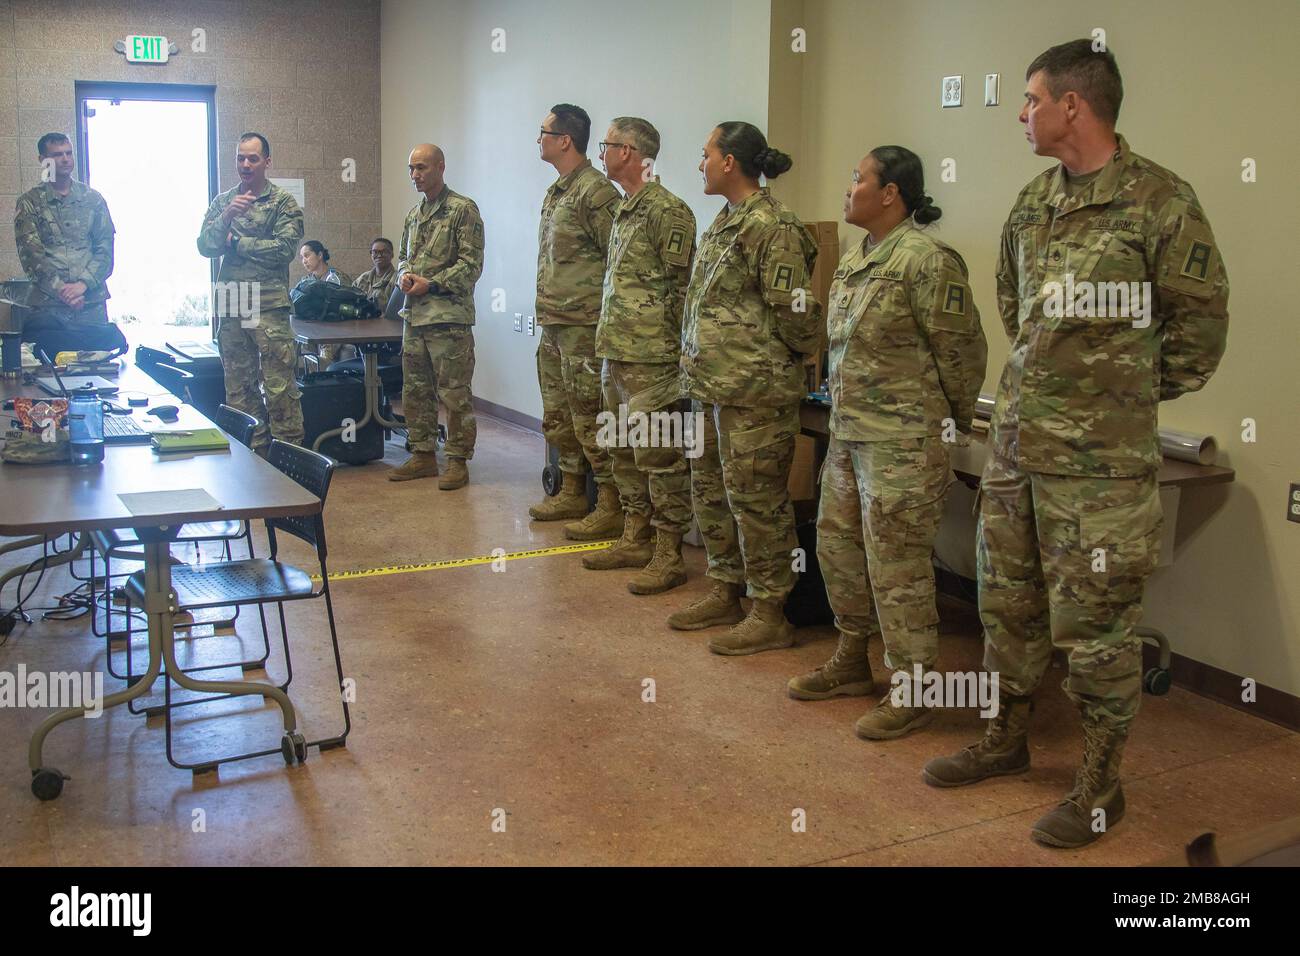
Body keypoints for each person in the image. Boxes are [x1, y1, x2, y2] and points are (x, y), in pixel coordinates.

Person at [923, 40, 1229, 849]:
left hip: (1100, 469)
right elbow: (1015, 307)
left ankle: (1100, 784)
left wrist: (1118, 394)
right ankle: (1004, 738)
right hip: (1018, 451)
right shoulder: (1033, 202)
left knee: (1095, 629)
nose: (1020, 114)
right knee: (1006, 606)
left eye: (1029, 99)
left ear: (1072, 105)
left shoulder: (1161, 202)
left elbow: (1200, 332)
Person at [786, 147, 987, 740]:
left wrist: (947, 422)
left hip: (904, 442)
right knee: (839, 550)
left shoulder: (927, 261)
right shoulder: (857, 260)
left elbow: (962, 352)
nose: (849, 188)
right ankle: (852, 658)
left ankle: (914, 687)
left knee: (897, 567)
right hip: (850, 435)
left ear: (891, 193)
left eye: (858, 179)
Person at [668, 122, 821, 655]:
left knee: (757, 502)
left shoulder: (772, 226)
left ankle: (770, 610)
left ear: (729, 161)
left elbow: (796, 311)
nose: (700, 164)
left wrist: (793, 360)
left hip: (754, 392)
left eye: (705, 154)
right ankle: (725, 588)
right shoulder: (725, 221)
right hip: (712, 385)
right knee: (711, 493)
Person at [582, 117, 696, 595]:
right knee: (620, 449)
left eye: (606, 145)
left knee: (660, 456)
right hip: (617, 352)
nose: (600, 152)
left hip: (653, 360)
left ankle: (669, 553)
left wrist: (674, 356)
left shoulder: (667, 211)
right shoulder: (626, 209)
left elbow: (682, 288)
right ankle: (635, 536)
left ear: (628, 152)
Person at [527, 104, 623, 537]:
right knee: (558, 414)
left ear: (565, 140)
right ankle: (571, 491)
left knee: (590, 415)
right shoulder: (557, 191)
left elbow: (618, 258)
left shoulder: (596, 192)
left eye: (543, 132)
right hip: (554, 322)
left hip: (584, 326)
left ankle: (608, 504)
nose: (538, 139)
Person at [197, 131, 305, 452]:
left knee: (278, 387)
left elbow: (284, 249)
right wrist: (228, 216)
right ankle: (253, 455)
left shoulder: (282, 202)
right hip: (231, 303)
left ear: (266, 162)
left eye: (253, 159)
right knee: (239, 387)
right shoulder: (223, 202)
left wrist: (238, 243)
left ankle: (289, 458)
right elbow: (205, 246)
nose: (245, 164)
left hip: (267, 304)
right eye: (240, 158)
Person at [388, 143, 485, 490]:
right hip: (414, 317)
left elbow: (471, 266)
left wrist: (432, 284)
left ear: (441, 167)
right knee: (415, 391)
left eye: (422, 168)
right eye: (411, 168)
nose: (415, 175)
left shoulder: (462, 210)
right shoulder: (414, 215)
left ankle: (457, 460)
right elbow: (402, 256)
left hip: (448, 318)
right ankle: (423, 455)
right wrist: (403, 274)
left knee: (454, 393)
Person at [14, 132, 116, 329]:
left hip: (90, 304)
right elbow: (32, 256)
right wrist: (63, 291)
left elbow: (105, 249)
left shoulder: (93, 199)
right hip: (48, 307)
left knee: (95, 357)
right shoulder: (30, 202)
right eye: (57, 155)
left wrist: (82, 285)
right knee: (50, 358)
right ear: (43, 160)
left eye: (69, 153)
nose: (65, 159)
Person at [299, 239, 354, 365]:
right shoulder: (305, 281)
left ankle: (323, 380)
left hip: (336, 327)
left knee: (325, 352)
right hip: (313, 327)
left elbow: (347, 306)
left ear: (319, 255)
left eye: (307, 255)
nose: (304, 261)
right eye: (302, 258)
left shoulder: (337, 278)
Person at [354, 238, 398, 310]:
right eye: (375, 252)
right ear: (371, 254)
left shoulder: (398, 279)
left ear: (392, 254)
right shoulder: (363, 278)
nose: (379, 255)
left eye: (384, 252)